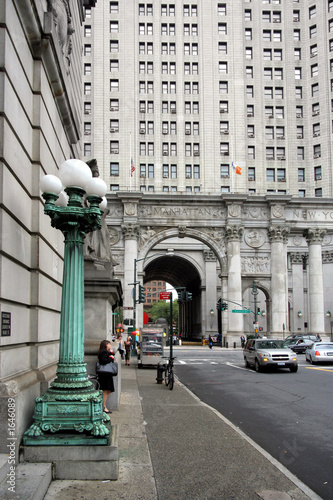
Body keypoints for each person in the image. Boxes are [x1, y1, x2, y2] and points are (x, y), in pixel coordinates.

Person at [97, 339, 115, 414]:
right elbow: (103, 361)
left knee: (108, 390)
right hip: (104, 374)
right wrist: (110, 357)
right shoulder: (103, 352)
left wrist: (111, 353)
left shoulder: (106, 352)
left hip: (107, 373)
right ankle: (103, 406)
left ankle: (103, 405)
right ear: (105, 345)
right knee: (105, 390)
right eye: (109, 344)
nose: (110, 345)